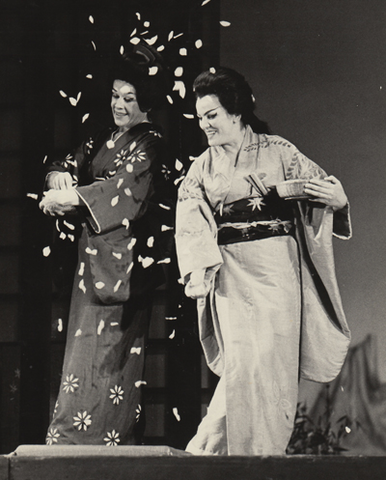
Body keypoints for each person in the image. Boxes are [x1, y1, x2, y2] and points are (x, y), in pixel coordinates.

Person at [175, 67, 352, 456]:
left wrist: (337, 201)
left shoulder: (280, 151)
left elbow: (322, 190)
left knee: (272, 368)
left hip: (277, 270)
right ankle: (219, 456)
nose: (204, 125)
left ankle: (237, 456)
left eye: (212, 116)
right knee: (243, 368)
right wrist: (198, 269)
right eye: (200, 117)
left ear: (236, 112)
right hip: (230, 273)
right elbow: (190, 217)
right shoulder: (202, 167)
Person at [39, 44, 173, 446]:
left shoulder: (151, 143)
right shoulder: (102, 135)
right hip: (89, 266)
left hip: (123, 269)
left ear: (145, 101)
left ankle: (102, 448)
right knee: (81, 355)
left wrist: (73, 199)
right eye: (115, 95)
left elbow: (121, 193)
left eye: (129, 98)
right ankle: (67, 442)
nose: (119, 105)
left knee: (113, 360)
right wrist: (58, 178)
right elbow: (69, 161)